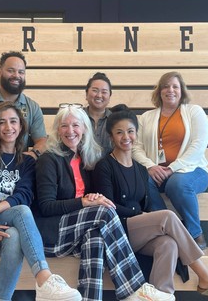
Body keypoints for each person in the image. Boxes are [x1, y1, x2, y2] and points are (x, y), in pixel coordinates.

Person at [93, 104, 208, 300]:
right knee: (167, 217)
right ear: (111, 136)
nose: (126, 137)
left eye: (130, 131)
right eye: (119, 132)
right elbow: (108, 207)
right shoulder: (104, 166)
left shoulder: (140, 168)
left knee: (168, 244)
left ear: (136, 134)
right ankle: (206, 277)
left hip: (137, 231)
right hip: (115, 230)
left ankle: (161, 294)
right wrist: (142, 216)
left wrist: (146, 216)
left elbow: (145, 203)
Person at [33, 103, 175, 301]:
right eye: (64, 126)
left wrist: (90, 199)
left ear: (84, 129)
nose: (70, 131)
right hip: (52, 233)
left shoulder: (85, 160)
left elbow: (86, 201)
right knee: (105, 211)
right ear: (57, 130)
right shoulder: (49, 159)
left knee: (96, 239)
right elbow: (46, 207)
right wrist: (84, 202)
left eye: (76, 125)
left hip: (78, 231)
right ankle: (133, 289)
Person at [0, 101, 82, 301]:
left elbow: (23, 195)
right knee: (23, 211)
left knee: (15, 232)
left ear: (21, 127)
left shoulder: (26, 162)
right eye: (2, 122)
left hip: (6, 228)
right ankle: (44, 279)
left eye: (13, 121)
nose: (9, 127)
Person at [132, 71, 208, 250]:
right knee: (142, 181)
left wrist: (172, 168)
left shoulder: (194, 112)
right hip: (158, 171)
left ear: (181, 90)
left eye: (175, 86)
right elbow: (136, 147)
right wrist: (150, 166)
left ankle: (195, 233)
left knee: (177, 184)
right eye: (166, 86)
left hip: (192, 171)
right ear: (159, 91)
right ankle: (168, 231)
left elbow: (198, 146)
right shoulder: (146, 117)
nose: (170, 90)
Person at [84, 72, 113, 156]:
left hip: (108, 168)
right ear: (86, 94)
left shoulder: (115, 121)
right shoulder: (77, 118)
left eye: (104, 92)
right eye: (95, 90)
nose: (99, 95)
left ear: (109, 96)